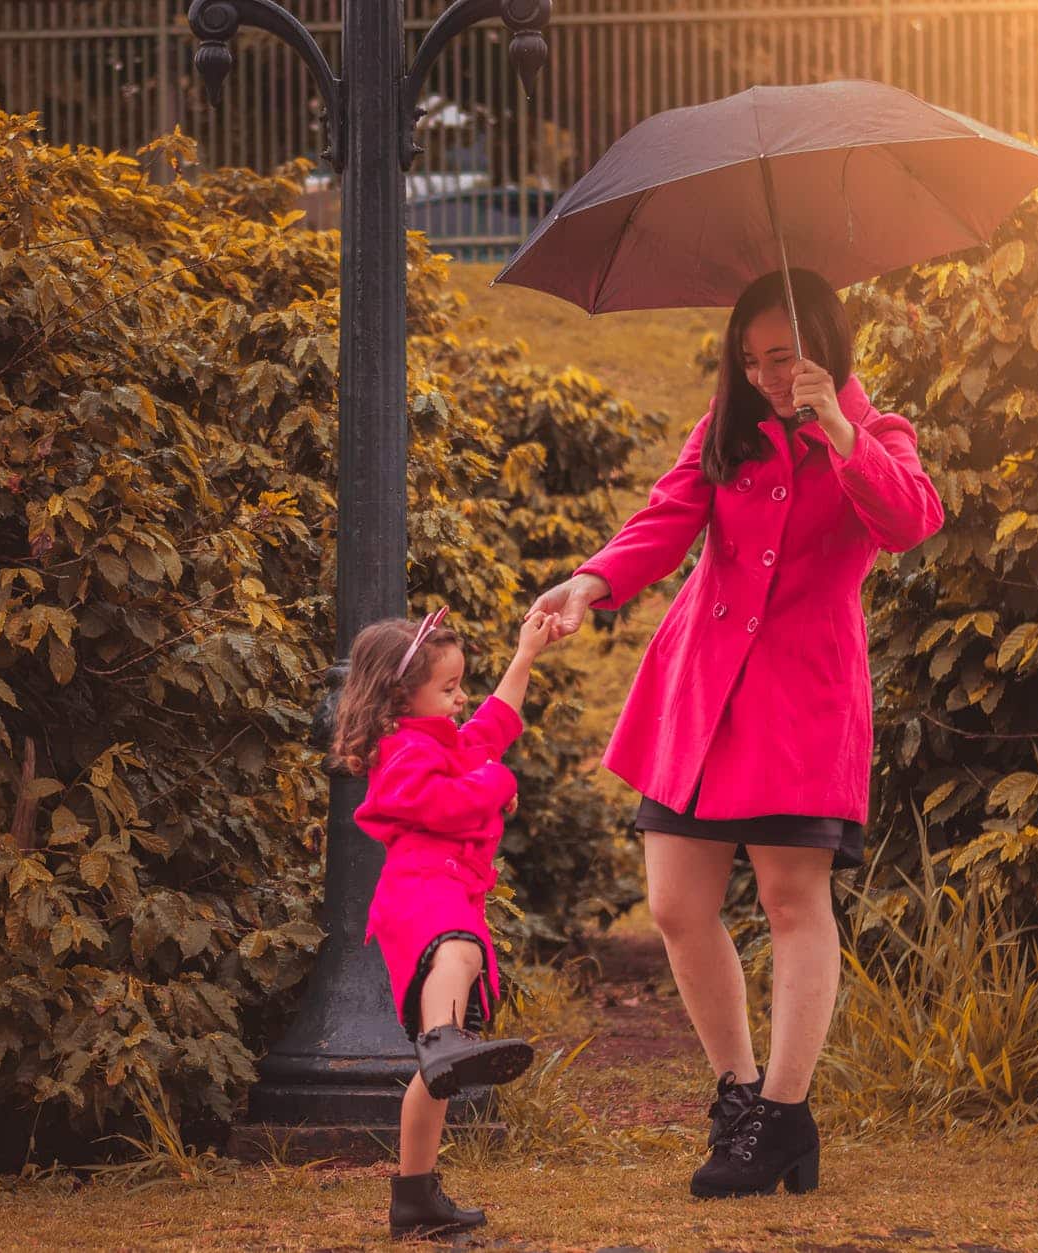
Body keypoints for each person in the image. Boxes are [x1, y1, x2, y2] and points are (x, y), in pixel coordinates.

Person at [527, 267, 944, 1199]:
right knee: (675, 903)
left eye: (782, 355)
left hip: (801, 698)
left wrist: (838, 429)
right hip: (702, 690)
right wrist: (589, 584)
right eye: (750, 359)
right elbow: (665, 520)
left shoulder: (876, 435)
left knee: (794, 901)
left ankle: (785, 1117)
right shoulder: (724, 432)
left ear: (825, 351)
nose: (764, 374)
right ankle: (738, 1095)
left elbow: (911, 520)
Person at [332, 605, 564, 1238]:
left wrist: (526, 654)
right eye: (449, 688)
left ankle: (415, 1198)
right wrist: (495, 783)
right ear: (402, 696)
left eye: (462, 685)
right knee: (458, 954)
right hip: (420, 893)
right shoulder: (402, 751)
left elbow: (495, 724)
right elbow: (441, 802)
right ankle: (443, 1043)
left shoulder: (444, 740)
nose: (462, 698)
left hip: (451, 894)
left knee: (435, 1077)